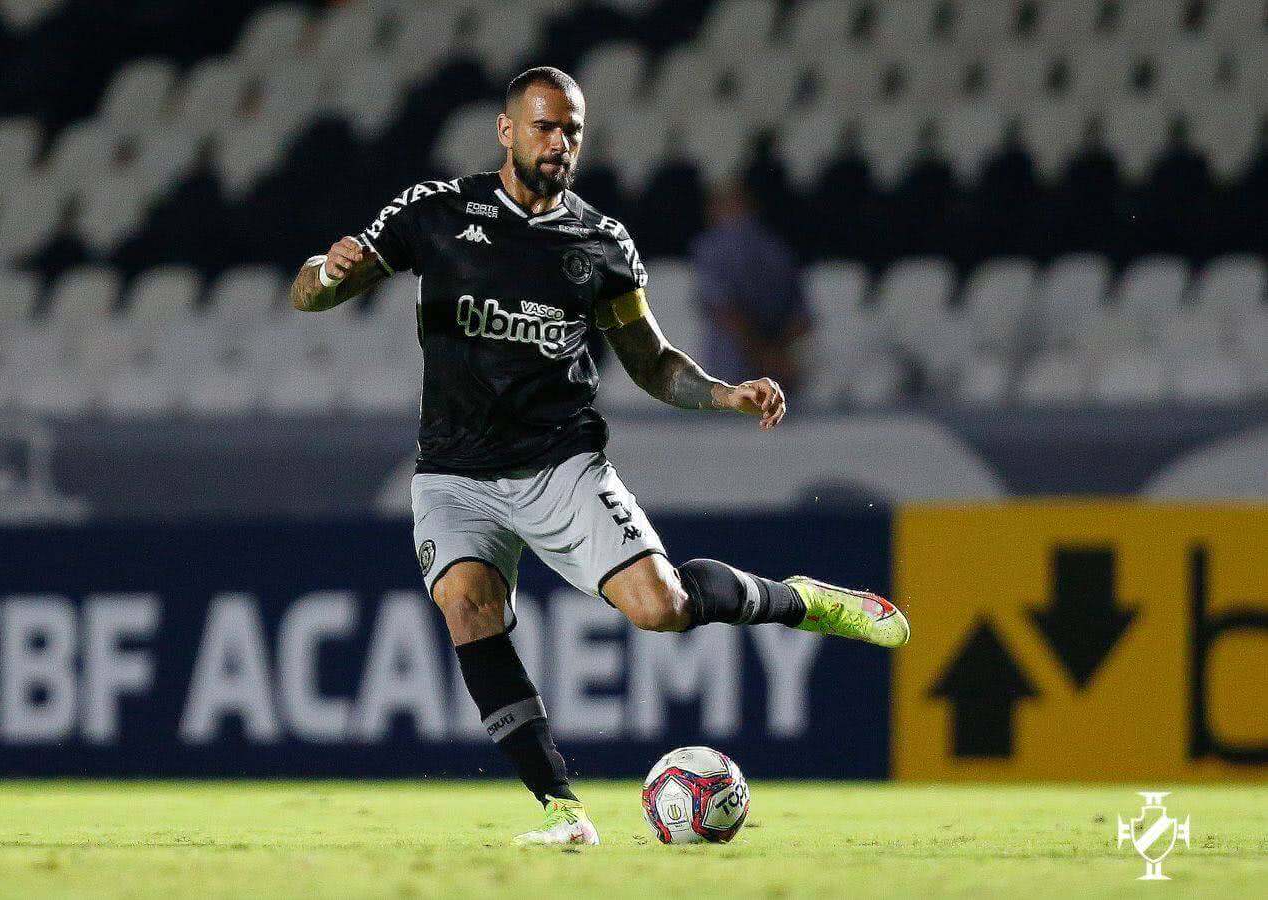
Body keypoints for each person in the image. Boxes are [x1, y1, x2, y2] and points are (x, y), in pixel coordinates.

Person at [289, 67, 909, 846]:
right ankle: (563, 809)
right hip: (453, 473)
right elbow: (312, 295)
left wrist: (722, 394)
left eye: (572, 130)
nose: (560, 143)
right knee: (465, 605)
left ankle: (802, 601)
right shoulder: (436, 213)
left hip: (561, 463)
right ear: (507, 131)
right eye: (545, 127)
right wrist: (327, 271)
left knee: (662, 610)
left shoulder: (599, 244)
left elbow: (650, 362)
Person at [691, 177, 811, 392]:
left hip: (733, 365)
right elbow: (801, 317)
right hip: (779, 364)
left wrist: (761, 354)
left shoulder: (711, 246)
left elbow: (724, 310)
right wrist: (776, 353)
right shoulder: (778, 246)